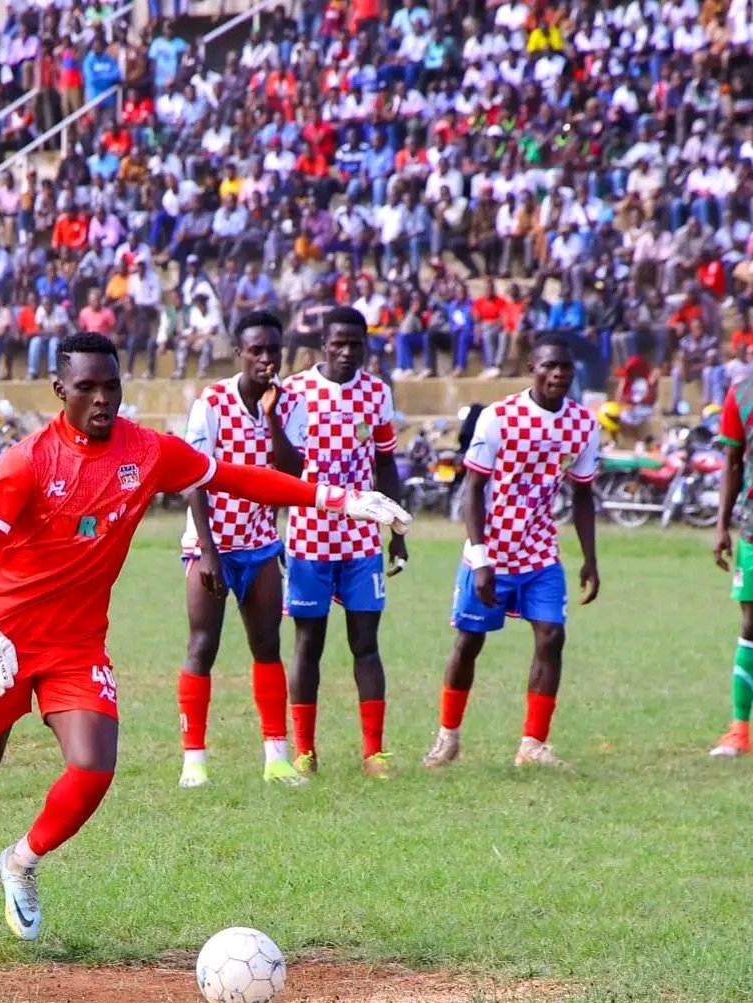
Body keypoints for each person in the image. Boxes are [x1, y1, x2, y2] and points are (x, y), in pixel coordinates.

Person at [0, 332, 412, 967]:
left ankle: (20, 860)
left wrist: (341, 499)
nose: (102, 399)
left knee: (93, 767)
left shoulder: (146, 452)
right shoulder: (26, 461)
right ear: (60, 391)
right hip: (2, 639)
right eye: (86, 387)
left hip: (76, 645)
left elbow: (239, 479)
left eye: (111, 386)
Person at [423, 336, 600, 770]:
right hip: (492, 551)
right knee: (469, 642)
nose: (558, 373)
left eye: (565, 367)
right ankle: (448, 737)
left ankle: (533, 744)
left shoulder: (583, 424)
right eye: (549, 366)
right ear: (532, 368)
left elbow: (582, 496)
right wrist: (481, 557)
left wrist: (590, 558)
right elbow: (474, 489)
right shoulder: (499, 418)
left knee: (552, 637)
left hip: (540, 551)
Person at [276, 306, 410, 779]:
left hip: (361, 542)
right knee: (308, 644)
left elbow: (387, 463)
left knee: (366, 644)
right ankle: (305, 751)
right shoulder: (294, 391)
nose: (347, 351)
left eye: (356, 343)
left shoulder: (377, 393)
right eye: (339, 342)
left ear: (365, 345)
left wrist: (396, 529)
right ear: (323, 343)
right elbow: (281, 468)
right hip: (309, 539)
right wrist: (276, 530)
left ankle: (374, 752)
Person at [177, 312, 307, 789]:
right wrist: (207, 551)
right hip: (210, 544)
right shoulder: (211, 401)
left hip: (260, 544)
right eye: (257, 350)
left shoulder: (291, 404)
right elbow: (194, 479)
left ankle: (276, 755)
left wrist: (271, 417)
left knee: (267, 645)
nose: (267, 359)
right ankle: (194, 760)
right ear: (240, 352)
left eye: (274, 350)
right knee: (202, 645)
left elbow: (293, 473)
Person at [710, 375, 753, 757]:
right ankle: (739, 730)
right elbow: (733, 462)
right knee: (751, 625)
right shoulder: (742, 392)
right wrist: (722, 525)